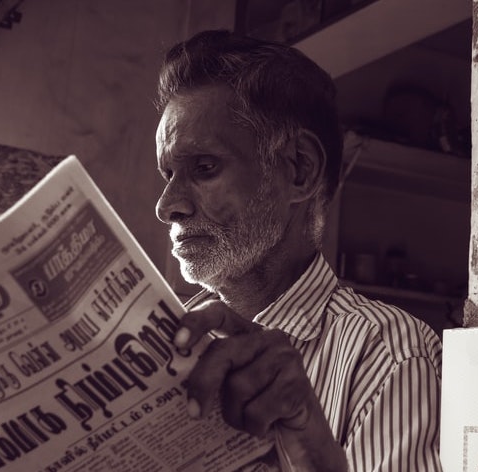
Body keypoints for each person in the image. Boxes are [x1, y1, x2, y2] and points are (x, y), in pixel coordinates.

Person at [154, 30, 442, 471]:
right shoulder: (166, 336)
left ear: (300, 169)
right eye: (167, 173)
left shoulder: (387, 354)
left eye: (204, 167)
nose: (167, 206)